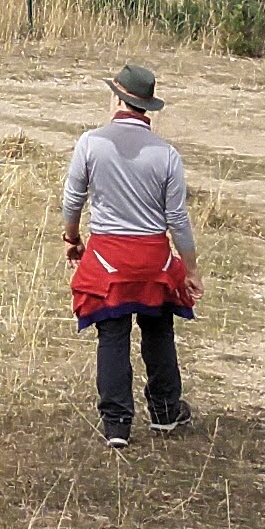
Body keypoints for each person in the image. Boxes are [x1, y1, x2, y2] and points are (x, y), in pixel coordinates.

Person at [62, 62, 197, 447]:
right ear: (147, 108)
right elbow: (177, 218)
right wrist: (191, 268)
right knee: (159, 331)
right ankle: (166, 411)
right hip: (154, 259)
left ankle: (117, 423)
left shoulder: (91, 143)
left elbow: (72, 201)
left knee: (112, 336)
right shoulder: (167, 154)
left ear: (116, 99)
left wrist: (72, 239)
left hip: (108, 259)